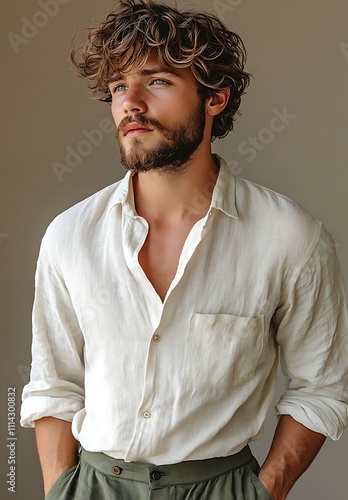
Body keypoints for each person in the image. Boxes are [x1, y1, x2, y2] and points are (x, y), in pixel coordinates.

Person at [20, 0, 348, 499]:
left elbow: (322, 387)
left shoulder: (290, 237)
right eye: (116, 87)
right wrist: (59, 490)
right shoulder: (70, 236)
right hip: (92, 486)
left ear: (215, 98)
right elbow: (54, 385)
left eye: (156, 81)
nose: (130, 101)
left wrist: (265, 491)